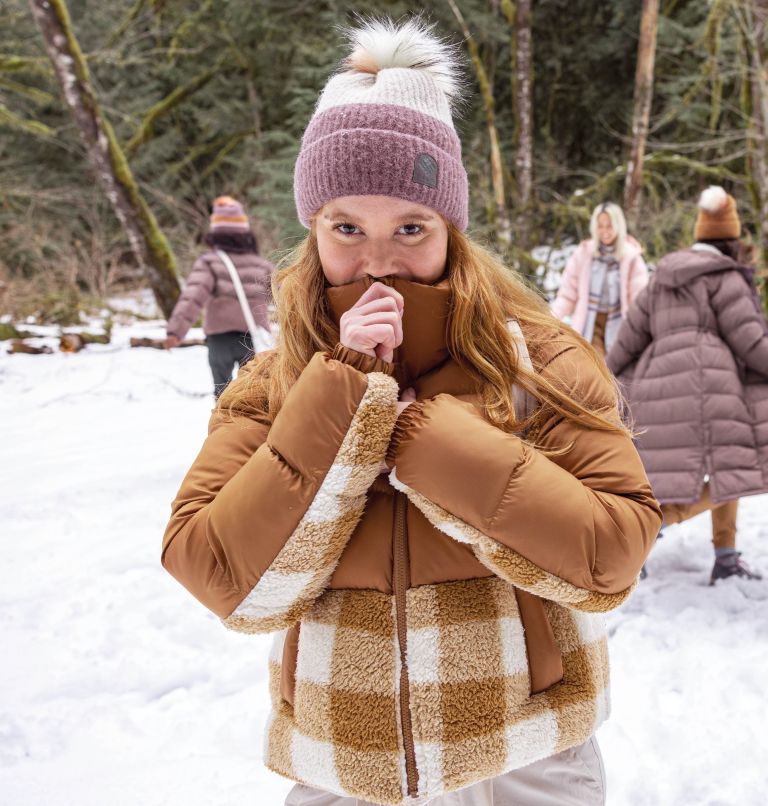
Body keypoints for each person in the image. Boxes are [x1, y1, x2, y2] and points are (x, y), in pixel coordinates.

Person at [161, 19, 661, 806]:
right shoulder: (273, 382)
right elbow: (217, 573)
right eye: (347, 228)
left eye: (411, 228)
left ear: (451, 230)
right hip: (341, 761)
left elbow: (615, 552)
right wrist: (341, 398)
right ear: (312, 229)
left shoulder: (540, 358)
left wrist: (433, 443)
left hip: (525, 755)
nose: (379, 263)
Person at [607, 186, 768, 584]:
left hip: (654, 393)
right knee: (738, 467)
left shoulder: (662, 278)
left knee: (727, 467)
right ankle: (648, 529)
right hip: (707, 392)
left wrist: (601, 388)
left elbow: (627, 341)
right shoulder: (726, 279)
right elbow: (752, 344)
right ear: (732, 242)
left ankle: (722, 554)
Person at [164, 196, 274, 397]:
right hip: (253, 339)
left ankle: (224, 427)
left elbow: (192, 297)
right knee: (254, 396)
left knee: (223, 395)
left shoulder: (209, 262)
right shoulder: (262, 265)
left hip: (219, 340)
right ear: (245, 233)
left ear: (215, 233)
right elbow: (286, 297)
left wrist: (175, 332)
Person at [552, 202, 648, 357]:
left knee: (617, 372)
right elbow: (568, 293)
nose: (604, 231)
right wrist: (552, 317)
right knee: (596, 366)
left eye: (609, 226)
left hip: (619, 325)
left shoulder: (631, 259)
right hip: (590, 324)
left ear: (618, 226)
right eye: (600, 226)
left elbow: (639, 302)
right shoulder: (584, 254)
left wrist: (641, 332)